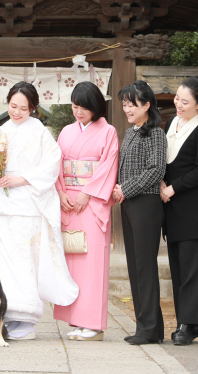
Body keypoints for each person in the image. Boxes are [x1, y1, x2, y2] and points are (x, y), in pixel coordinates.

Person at [0, 81, 79, 340]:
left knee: (24, 261)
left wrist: (21, 179)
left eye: (24, 108)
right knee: (0, 259)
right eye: (13, 106)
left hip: (27, 201)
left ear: (32, 108)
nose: (17, 112)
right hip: (2, 200)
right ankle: (3, 314)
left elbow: (52, 164)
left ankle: (25, 319)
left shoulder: (40, 132)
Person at [53, 81, 119, 342]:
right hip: (68, 200)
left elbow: (108, 166)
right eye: (74, 106)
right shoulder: (66, 132)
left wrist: (87, 192)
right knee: (72, 261)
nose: (77, 112)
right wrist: (59, 192)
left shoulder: (108, 131)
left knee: (92, 262)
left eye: (82, 107)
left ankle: (94, 324)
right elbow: (56, 165)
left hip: (91, 202)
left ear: (95, 107)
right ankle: (78, 320)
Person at [160, 75, 198, 346]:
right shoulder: (171, 122)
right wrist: (161, 181)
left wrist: (171, 188)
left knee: (194, 269)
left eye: (185, 101)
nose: (179, 105)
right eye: (177, 98)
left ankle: (189, 324)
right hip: (172, 208)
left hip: (194, 207)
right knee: (179, 268)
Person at [112, 80, 167, 345]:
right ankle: (149, 327)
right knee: (135, 267)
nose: (127, 108)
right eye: (124, 103)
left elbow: (156, 170)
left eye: (132, 104)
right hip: (129, 203)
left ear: (147, 105)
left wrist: (126, 188)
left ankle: (149, 329)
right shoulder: (132, 131)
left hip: (146, 203)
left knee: (145, 266)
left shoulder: (155, 133)